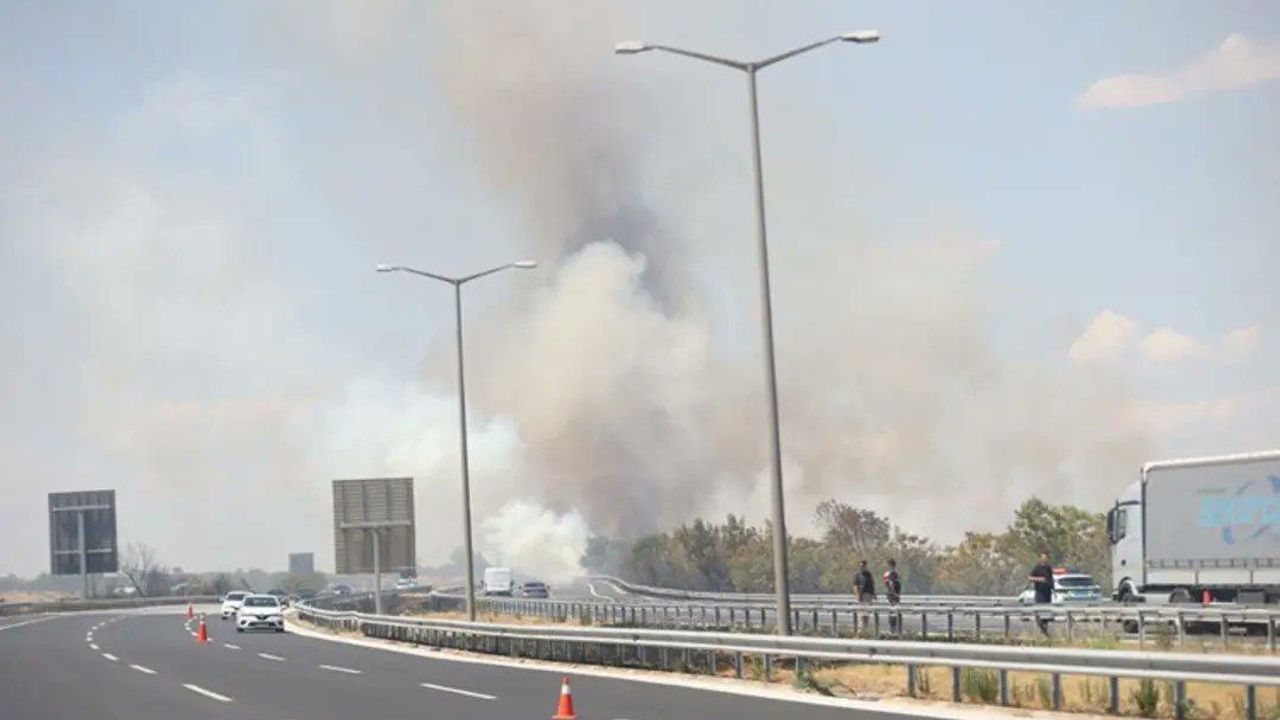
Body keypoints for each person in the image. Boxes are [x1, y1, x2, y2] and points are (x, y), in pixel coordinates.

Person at [1028, 551, 1055, 636]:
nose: (1045, 559)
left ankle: (1045, 630)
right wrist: (1039, 579)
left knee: (1047, 614)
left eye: (1046, 557)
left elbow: (1050, 578)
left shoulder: (1048, 568)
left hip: (1047, 593)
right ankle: (1042, 630)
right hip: (1040, 593)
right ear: (1040, 558)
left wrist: (1052, 587)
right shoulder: (1037, 567)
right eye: (1043, 557)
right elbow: (1030, 577)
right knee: (1039, 612)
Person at [883, 559, 902, 632]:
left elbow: (887, 583)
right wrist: (895, 593)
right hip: (893, 595)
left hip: (890, 594)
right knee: (894, 610)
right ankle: (893, 627)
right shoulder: (892, 573)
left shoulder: (887, 573)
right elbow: (891, 583)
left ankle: (893, 627)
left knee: (892, 610)